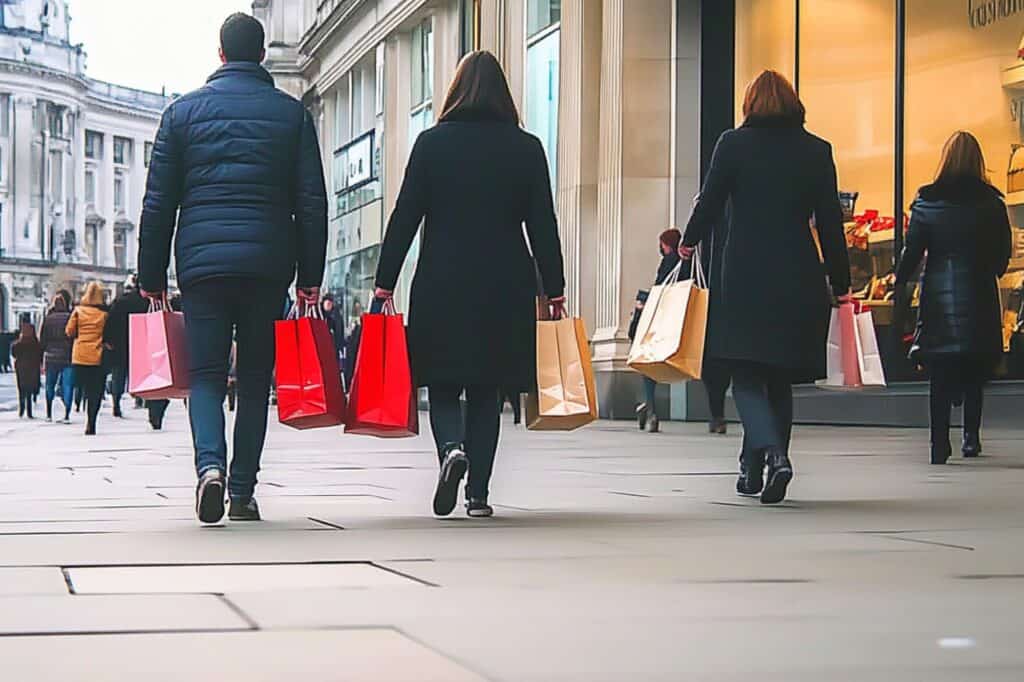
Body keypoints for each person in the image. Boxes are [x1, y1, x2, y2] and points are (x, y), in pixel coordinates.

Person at [137, 12, 327, 525]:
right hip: (267, 266)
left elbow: (158, 204)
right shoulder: (291, 116)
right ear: (261, 54)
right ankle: (242, 490)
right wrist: (310, 275)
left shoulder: (181, 115)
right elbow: (311, 202)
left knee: (204, 375)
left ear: (219, 54)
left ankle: (209, 469)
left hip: (202, 266)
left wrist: (150, 275)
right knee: (255, 379)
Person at [373, 51, 566, 519]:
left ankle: (451, 450)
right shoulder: (526, 148)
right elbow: (543, 223)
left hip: (442, 278)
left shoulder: (432, 144)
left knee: (441, 382)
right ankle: (478, 494)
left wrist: (384, 282)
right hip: (505, 283)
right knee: (487, 387)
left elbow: (405, 216)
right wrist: (555, 287)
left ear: (455, 92)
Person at [680, 70, 851, 505]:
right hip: (799, 274)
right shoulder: (816, 150)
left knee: (746, 376)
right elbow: (831, 222)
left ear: (750, 104)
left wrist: (688, 240)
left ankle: (774, 457)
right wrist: (842, 281)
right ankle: (754, 466)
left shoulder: (733, 144)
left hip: (744, 274)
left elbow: (710, 198)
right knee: (778, 378)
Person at [895, 131, 1011, 465]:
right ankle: (971, 437)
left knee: (940, 369)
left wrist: (900, 281)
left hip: (938, 296)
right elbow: (1002, 254)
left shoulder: (927, 202)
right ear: (979, 163)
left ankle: (938, 443)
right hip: (978, 293)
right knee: (974, 367)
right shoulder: (991, 204)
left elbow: (912, 251)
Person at [633, 228, 683, 433]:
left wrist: (643, 305)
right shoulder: (689, 262)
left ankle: (651, 408)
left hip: (664, 319)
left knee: (648, 361)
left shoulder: (669, 261)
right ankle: (647, 407)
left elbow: (660, 288)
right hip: (679, 318)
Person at [66, 282, 109, 435]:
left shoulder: (78, 312)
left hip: (80, 356)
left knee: (80, 386)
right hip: (97, 356)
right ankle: (91, 421)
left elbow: (69, 331)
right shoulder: (104, 315)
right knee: (95, 391)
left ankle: (79, 404)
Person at [104, 275, 147, 418]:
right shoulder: (146, 303)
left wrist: (108, 339)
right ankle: (140, 398)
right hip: (140, 342)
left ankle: (116, 402)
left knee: (118, 375)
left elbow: (110, 321)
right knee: (140, 373)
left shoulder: (121, 301)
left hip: (120, 344)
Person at [40, 295, 74, 423]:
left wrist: (41, 358)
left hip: (51, 357)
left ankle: (49, 413)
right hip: (67, 357)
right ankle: (66, 414)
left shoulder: (48, 319)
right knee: (67, 386)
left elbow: (42, 340)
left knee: (50, 385)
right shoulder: (69, 317)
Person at [11, 322, 42, 419]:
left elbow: (14, 354)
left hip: (21, 367)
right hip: (33, 367)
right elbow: (40, 355)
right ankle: (29, 411)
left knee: (21, 388)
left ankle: (21, 408)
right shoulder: (36, 343)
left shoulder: (17, 344)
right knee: (29, 389)